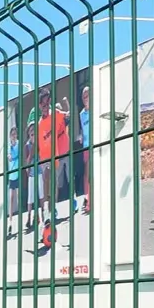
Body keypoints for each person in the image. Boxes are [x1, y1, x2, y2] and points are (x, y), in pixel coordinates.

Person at [36, 87, 71, 216]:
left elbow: (67, 115)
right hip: (44, 156)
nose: (45, 107)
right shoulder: (40, 123)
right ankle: (46, 209)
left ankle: (52, 209)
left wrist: (67, 111)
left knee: (54, 183)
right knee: (46, 180)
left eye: (47, 104)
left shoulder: (55, 113)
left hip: (54, 155)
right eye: (43, 105)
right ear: (40, 105)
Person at [24, 122, 43, 231]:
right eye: (31, 131)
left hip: (39, 171)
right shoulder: (27, 145)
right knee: (30, 198)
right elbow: (27, 160)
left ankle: (42, 216)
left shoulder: (39, 142)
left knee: (41, 195)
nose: (33, 133)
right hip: (31, 173)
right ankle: (28, 218)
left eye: (34, 131)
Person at [78, 86, 91, 214]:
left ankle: (90, 199)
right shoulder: (81, 114)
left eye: (87, 95)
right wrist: (81, 136)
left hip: (95, 144)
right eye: (84, 96)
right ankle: (87, 198)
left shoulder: (95, 109)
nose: (85, 98)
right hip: (86, 147)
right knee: (87, 174)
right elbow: (83, 129)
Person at [6, 126, 20, 236]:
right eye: (12, 134)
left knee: (19, 196)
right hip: (11, 175)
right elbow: (9, 156)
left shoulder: (18, 144)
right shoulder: (9, 146)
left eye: (15, 134)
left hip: (18, 173)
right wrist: (9, 155)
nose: (14, 136)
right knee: (11, 199)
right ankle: (10, 223)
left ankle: (20, 219)